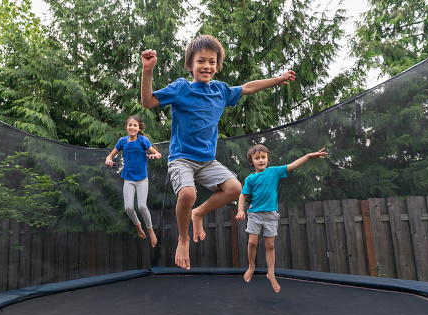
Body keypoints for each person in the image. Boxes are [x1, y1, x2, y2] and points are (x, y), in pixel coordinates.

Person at [141, 34, 296, 270]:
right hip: (182, 158)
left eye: (212, 62)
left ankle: (198, 214)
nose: (207, 66)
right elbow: (148, 102)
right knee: (187, 195)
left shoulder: (221, 91)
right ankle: (183, 239)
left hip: (206, 161)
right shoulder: (181, 88)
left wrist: (278, 79)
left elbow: (248, 87)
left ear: (217, 65)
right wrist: (147, 71)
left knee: (235, 188)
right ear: (190, 65)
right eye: (201, 61)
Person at [236, 144, 328, 292]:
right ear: (251, 161)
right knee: (252, 242)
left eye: (263, 157)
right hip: (255, 214)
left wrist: (309, 156)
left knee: (270, 245)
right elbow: (242, 195)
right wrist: (240, 210)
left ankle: (271, 273)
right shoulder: (250, 179)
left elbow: (292, 165)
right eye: (257, 158)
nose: (261, 160)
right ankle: (251, 266)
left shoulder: (274, 172)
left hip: (271, 214)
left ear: (267, 159)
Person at [105, 115, 161, 247]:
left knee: (142, 206)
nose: (132, 127)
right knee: (128, 207)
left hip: (142, 179)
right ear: (126, 127)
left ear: (139, 128)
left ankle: (150, 230)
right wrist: (108, 159)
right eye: (130, 125)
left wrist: (155, 155)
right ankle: (138, 225)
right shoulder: (122, 142)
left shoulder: (143, 140)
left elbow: (158, 154)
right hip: (128, 179)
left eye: (135, 125)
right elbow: (110, 155)